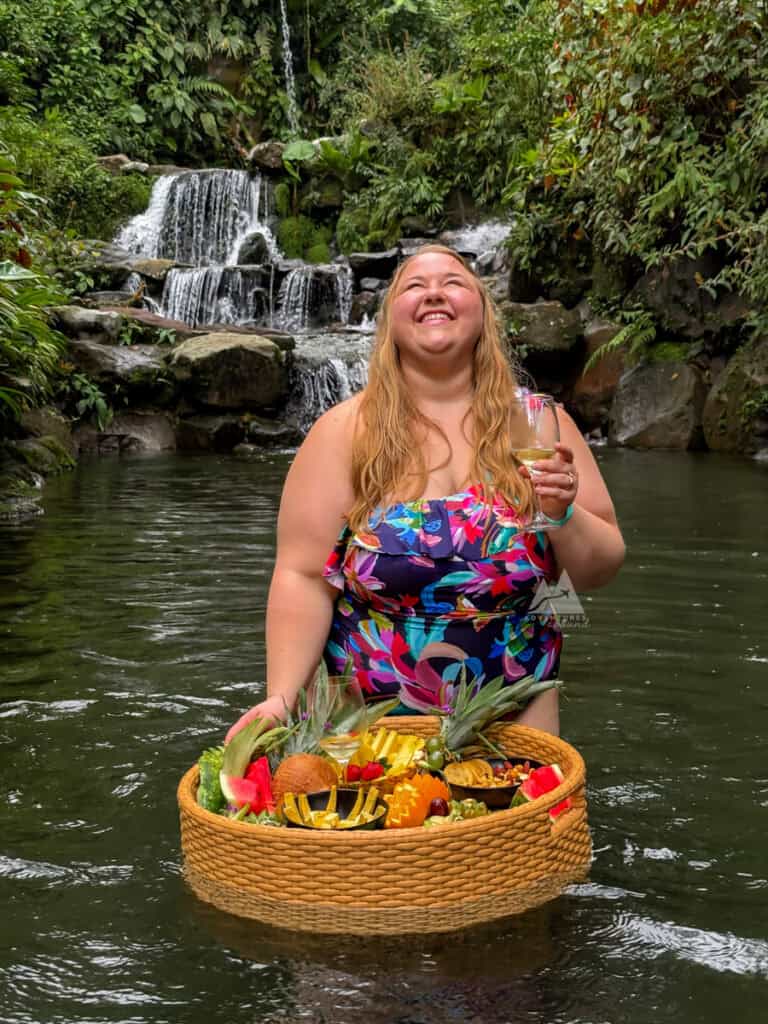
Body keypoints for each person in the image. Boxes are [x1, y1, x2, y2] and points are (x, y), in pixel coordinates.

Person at [226, 245, 625, 742]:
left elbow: (598, 569)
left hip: (517, 716)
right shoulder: (345, 432)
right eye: (414, 286)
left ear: (483, 313)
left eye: (453, 282)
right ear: (390, 321)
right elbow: (304, 576)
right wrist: (280, 697)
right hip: (364, 733)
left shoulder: (538, 423)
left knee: (524, 824)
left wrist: (561, 515)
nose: (434, 292)